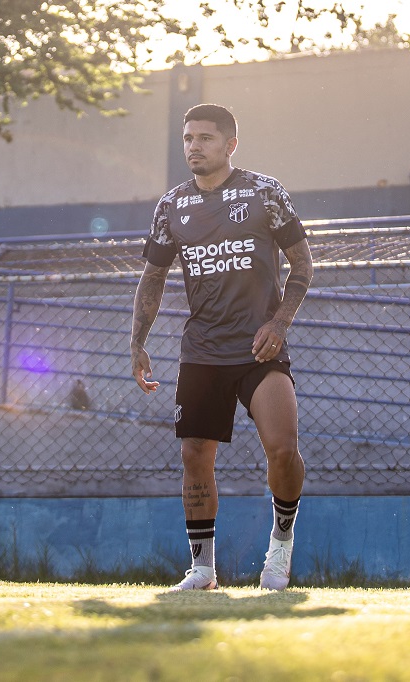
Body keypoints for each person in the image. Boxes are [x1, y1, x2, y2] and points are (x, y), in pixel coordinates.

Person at [131, 103, 314, 591]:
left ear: (230, 144)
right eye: (188, 138)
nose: (194, 146)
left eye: (205, 138)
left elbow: (303, 266)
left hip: (259, 347)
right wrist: (138, 342)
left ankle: (280, 547)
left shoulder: (264, 193)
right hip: (202, 349)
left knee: (282, 449)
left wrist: (279, 321)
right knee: (194, 453)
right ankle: (203, 568)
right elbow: (153, 276)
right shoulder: (171, 205)